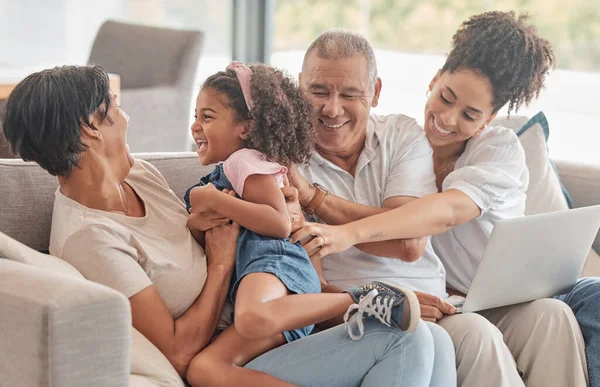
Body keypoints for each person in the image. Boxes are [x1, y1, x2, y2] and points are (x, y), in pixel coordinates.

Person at [2, 64, 456, 387]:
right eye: (114, 107)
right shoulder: (90, 237)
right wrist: (219, 265)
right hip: (230, 354)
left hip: (264, 325)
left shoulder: (138, 174)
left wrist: (279, 215)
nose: (126, 116)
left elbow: (233, 233)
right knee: (408, 345)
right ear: (89, 130)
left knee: (431, 335)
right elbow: (179, 352)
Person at [287, 18, 589, 387]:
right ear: (433, 81)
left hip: (501, 299)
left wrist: (326, 211)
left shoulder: (466, 147)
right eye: (446, 98)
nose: (446, 118)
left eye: (469, 114)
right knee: (478, 335)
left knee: (553, 315)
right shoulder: (290, 156)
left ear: (488, 120)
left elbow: (425, 227)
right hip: (448, 304)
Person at [181, 61, 423, 386]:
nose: (196, 126)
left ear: (245, 127)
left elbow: (278, 223)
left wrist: (213, 199)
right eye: (196, 116)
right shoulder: (242, 167)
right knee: (205, 369)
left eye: (207, 116)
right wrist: (199, 217)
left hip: (274, 265)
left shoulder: (244, 162)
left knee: (251, 319)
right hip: (279, 286)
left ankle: (361, 298)